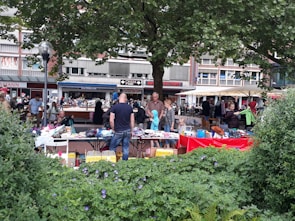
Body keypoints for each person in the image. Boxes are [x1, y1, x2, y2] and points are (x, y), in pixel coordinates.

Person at [109, 93, 134, 161]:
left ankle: (112, 163)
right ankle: (124, 163)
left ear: (119, 98)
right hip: (127, 130)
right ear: (126, 99)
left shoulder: (114, 107)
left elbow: (111, 120)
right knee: (126, 148)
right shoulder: (130, 108)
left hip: (118, 130)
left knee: (112, 148)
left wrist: (113, 128)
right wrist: (131, 130)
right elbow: (132, 120)